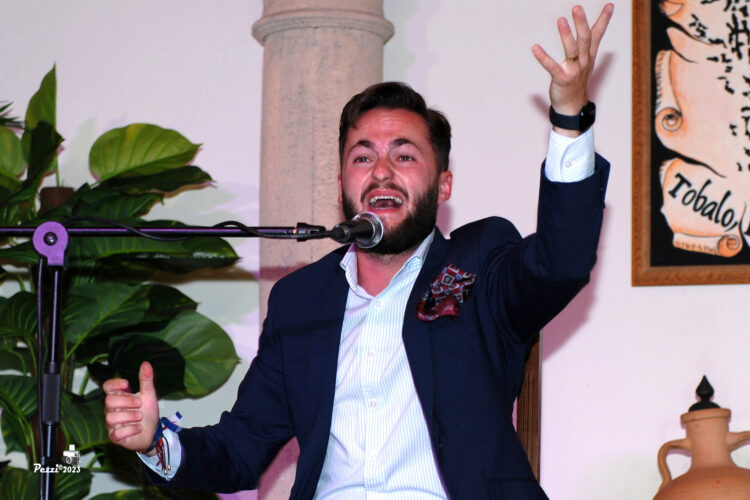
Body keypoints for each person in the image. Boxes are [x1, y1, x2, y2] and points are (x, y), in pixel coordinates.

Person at [104, 4, 614, 499]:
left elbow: (561, 261)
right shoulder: (302, 301)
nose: (382, 172)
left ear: (444, 185)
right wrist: (156, 442)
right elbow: (240, 447)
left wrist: (569, 116)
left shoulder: (479, 261)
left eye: (405, 155)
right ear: (342, 184)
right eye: (363, 156)